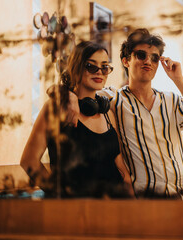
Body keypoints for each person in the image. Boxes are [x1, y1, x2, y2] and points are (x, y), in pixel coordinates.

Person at [65, 29, 183, 199]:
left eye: (155, 57)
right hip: (144, 202)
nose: (148, 61)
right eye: (141, 55)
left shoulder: (172, 100)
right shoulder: (111, 99)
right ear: (126, 61)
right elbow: (82, 91)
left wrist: (178, 79)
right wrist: (66, 94)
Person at [20, 41, 134, 198]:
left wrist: (133, 205)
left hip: (115, 208)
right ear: (76, 67)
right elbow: (29, 161)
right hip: (77, 213)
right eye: (91, 66)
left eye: (105, 67)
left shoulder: (108, 114)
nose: (99, 72)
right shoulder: (55, 108)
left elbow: (121, 169)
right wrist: (59, 196)